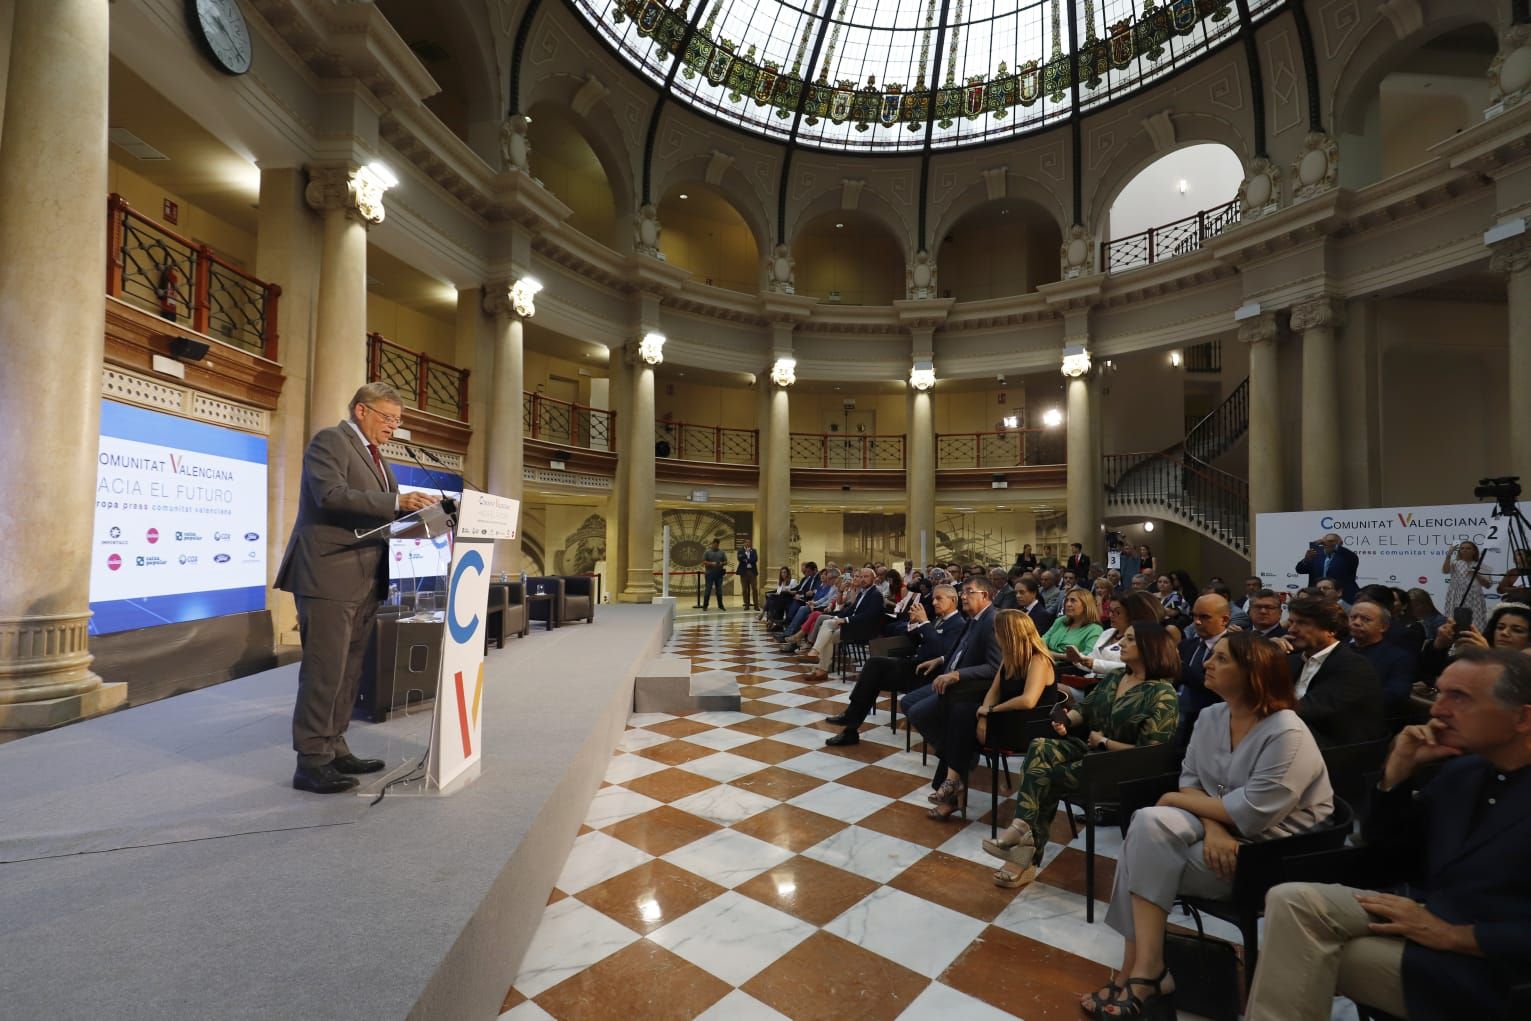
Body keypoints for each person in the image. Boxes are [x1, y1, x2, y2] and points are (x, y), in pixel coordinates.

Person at [1244, 648, 1531, 1021]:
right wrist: (1396, 773)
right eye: (1439, 693)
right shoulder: (1465, 772)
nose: (1437, 710)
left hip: (1499, 971)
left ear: (1522, 717)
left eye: (1459, 698)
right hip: (1429, 918)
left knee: (1301, 953)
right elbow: (1389, 857)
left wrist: (1454, 935)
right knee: (1291, 900)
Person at [1083, 632, 1335, 1020]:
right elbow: (1191, 781)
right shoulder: (1212, 715)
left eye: (1221, 659)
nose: (1206, 663)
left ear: (1254, 673)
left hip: (1268, 857)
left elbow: (1250, 816)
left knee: (1143, 844)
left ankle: (1138, 970)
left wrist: (1176, 801)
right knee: (1149, 824)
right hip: (1220, 836)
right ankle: (1146, 971)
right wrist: (1212, 826)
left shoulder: (1287, 732)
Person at [276, 382, 440, 795]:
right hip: (328, 572)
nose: (393, 426)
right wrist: (397, 503)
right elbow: (330, 495)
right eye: (387, 418)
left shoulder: (377, 457)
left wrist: (419, 521)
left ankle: (335, 745)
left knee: (349, 671)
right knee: (324, 670)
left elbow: (375, 516)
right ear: (361, 411)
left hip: (364, 574)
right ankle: (311, 761)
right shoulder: (330, 441)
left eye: (398, 420)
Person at [989, 623, 1180, 888]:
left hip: (1123, 770)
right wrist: (1067, 721)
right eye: (1123, 638)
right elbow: (1086, 710)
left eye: (1130, 639)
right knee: (1041, 746)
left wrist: (1105, 741)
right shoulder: (1116, 677)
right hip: (1092, 753)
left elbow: (1150, 755)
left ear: (1151, 648)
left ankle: (1024, 854)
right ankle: (1021, 827)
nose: (1121, 643)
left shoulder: (1162, 695)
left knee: (1043, 776)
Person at [926, 610, 1056, 822]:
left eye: (997, 632)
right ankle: (951, 784)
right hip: (1006, 720)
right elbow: (993, 692)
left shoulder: (1039, 660)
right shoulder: (1010, 658)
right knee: (960, 716)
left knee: (960, 726)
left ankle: (951, 792)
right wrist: (984, 717)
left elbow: (1028, 700)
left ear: (1010, 633)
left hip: (1028, 728)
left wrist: (990, 711)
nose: (995, 636)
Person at [824, 584, 966, 746]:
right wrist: (913, 624)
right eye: (933, 598)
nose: (934, 602)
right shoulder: (937, 619)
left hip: (931, 674)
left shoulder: (958, 624)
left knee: (875, 668)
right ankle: (850, 729)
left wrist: (925, 623)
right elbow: (916, 642)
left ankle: (851, 720)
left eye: (939, 598)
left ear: (953, 600)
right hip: (914, 666)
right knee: (874, 669)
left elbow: (940, 650)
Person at [904, 576, 1003, 755]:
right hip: (949, 677)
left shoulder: (992, 620)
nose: (963, 596)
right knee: (908, 702)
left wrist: (958, 675)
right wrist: (940, 660)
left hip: (969, 687)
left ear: (985, 595)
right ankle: (953, 751)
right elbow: (957, 649)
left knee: (918, 712)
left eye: (969, 592)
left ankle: (956, 754)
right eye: (962, 592)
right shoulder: (974, 619)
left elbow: (995, 667)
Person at [1280, 595, 1386, 747]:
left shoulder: (1353, 666)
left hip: (1338, 749)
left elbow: (1306, 709)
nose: (1292, 629)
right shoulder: (1293, 659)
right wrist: (1267, 655)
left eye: (1302, 623)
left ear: (1331, 629)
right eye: (1291, 622)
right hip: (1298, 735)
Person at [805, 567, 885, 682]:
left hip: (865, 631)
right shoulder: (862, 593)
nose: (862, 579)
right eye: (861, 576)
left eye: (866, 577)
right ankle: (822, 671)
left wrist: (846, 620)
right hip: (854, 627)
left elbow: (869, 616)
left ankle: (816, 652)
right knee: (828, 633)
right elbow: (851, 609)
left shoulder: (876, 594)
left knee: (827, 624)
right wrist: (838, 617)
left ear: (874, 578)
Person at [1174, 593, 1231, 745]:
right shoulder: (1186, 645)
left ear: (1224, 620)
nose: (1197, 622)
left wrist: (1179, 667)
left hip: (1212, 727)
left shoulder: (1234, 649)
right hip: (1176, 723)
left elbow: (1216, 687)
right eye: (1194, 616)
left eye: (1205, 617)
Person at [1068, 590, 1167, 678]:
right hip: (1089, 681)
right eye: (1110, 611)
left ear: (1131, 614)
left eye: (1117, 612)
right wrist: (1079, 659)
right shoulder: (1107, 633)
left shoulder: (1141, 638)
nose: (1110, 615)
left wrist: (1094, 663)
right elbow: (1090, 661)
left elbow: (1132, 667)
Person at [1349, 599, 1416, 717]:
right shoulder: (1339, 648)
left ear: (1383, 627)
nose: (1356, 622)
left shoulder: (1399, 657)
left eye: (1366, 619)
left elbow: (1396, 695)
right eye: (1353, 617)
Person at [1040, 587, 1104, 667]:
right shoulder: (1060, 620)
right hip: (1045, 661)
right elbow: (1042, 641)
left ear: (1086, 605)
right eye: (1067, 600)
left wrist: (1050, 654)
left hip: (1069, 668)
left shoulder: (1095, 629)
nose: (1068, 604)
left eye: (1073, 601)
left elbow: (1088, 656)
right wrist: (1062, 656)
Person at [1296, 532, 1360, 603]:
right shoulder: (1316, 555)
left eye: (1331, 541)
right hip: (1317, 597)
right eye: (1324, 542)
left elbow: (1349, 555)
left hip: (1342, 598)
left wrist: (1334, 546)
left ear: (1340, 543)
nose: (1326, 543)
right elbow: (1300, 570)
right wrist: (1306, 560)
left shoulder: (1347, 556)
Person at [1443, 540, 1491, 632]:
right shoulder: (1455, 563)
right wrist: (1448, 555)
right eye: (1462, 548)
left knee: (1475, 621)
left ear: (1474, 551)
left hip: (1474, 597)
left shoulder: (1481, 565)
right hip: (1456, 596)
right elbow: (1445, 571)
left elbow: (1488, 585)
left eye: (1468, 548)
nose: (1465, 550)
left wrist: (1476, 574)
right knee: (1456, 622)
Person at [701, 538, 728, 610]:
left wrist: (721, 563)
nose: (715, 546)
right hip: (709, 574)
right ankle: (705, 606)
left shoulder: (722, 552)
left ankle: (720, 605)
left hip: (719, 574)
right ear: (712, 544)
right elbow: (703, 561)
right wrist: (711, 563)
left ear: (718, 545)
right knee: (708, 590)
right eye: (714, 545)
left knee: (719, 590)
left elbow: (726, 562)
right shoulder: (707, 552)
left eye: (717, 545)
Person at [737, 542, 759, 610]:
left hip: (752, 571)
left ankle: (756, 605)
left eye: (748, 543)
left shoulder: (754, 550)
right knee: (744, 590)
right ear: (744, 544)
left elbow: (755, 559)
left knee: (754, 589)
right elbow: (740, 558)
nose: (747, 544)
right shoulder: (740, 551)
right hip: (744, 572)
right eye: (746, 543)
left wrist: (746, 560)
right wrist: (746, 555)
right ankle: (747, 604)